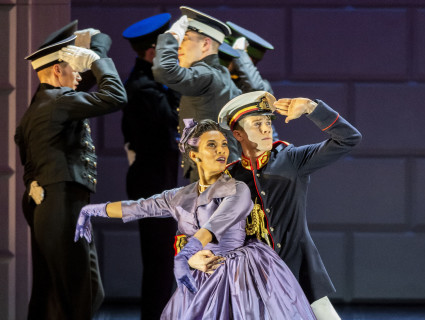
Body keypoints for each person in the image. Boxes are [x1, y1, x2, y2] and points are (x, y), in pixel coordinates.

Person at [74, 119, 317, 320]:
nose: (221, 150)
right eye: (212, 145)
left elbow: (215, 226)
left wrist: (185, 255)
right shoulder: (180, 196)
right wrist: (91, 211)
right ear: (194, 154)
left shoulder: (238, 189)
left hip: (237, 272)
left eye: (223, 144)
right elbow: (137, 207)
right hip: (201, 271)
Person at [188, 91, 361, 319]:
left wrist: (311, 108)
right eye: (257, 123)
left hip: (299, 274)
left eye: (268, 121)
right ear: (238, 134)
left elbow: (348, 138)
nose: (266, 128)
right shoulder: (227, 179)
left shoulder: (291, 159)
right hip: (251, 282)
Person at [14, 24, 127, 319]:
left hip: (47, 206)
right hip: (63, 206)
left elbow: (29, 161)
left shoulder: (42, 104)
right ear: (56, 71)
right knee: (81, 294)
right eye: (74, 69)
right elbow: (116, 96)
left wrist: (95, 44)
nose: (80, 76)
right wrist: (94, 61)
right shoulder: (59, 102)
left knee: (55, 295)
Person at [121, 13, 180, 319]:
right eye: (169, 46)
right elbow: (172, 119)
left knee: (163, 258)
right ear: (153, 51)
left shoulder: (152, 82)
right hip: (153, 178)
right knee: (160, 259)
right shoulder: (144, 86)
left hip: (160, 176)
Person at [152, 6, 244, 182]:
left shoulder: (206, 74)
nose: (178, 47)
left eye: (184, 39)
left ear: (205, 44)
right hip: (219, 173)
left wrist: (170, 38)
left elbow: (165, 70)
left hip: (211, 175)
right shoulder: (221, 75)